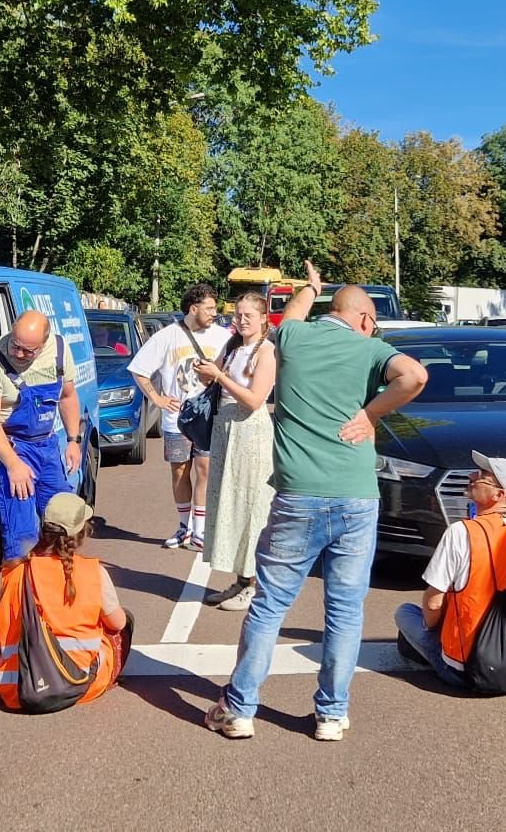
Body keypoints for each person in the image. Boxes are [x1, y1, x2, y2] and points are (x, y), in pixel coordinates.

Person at [205, 260, 427, 742]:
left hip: (297, 496)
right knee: (345, 610)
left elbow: (297, 310)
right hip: (355, 498)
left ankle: (240, 709)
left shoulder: (292, 338)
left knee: (269, 605)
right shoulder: (372, 348)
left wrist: (311, 286)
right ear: (366, 319)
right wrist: (370, 415)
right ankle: (331, 714)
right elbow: (413, 376)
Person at [393, 452, 506, 688]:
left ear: (498, 495)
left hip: (465, 671)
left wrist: (432, 629)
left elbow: (433, 602)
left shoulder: (460, 531)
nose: (471, 476)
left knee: (404, 613)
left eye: (481, 476)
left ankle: (439, 657)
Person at [0, 492, 132, 709]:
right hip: (79, 682)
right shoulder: (92, 572)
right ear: (81, 534)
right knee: (123, 623)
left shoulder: (14, 572)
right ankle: (108, 677)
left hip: (15, 688)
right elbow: (118, 623)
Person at [0, 309, 83, 562]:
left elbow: (67, 397)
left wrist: (73, 441)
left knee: (65, 520)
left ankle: (60, 586)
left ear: (44, 344)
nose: (19, 354)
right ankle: (20, 595)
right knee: (22, 534)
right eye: (15, 345)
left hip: (47, 446)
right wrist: (13, 464)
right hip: (12, 448)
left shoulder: (60, 349)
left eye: (28, 351)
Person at [129, 283, 231, 550]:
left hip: (210, 417)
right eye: (209, 308)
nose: (215, 313)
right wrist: (157, 398)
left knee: (205, 469)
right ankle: (184, 526)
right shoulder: (167, 336)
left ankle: (200, 530)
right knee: (179, 472)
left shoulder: (223, 336)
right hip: (178, 419)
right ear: (193, 308)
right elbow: (139, 369)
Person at [194, 291, 279, 611]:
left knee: (250, 506)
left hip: (249, 434)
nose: (241, 320)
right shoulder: (231, 347)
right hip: (225, 430)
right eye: (238, 314)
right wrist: (204, 371)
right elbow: (211, 379)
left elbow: (255, 400)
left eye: (248, 316)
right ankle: (241, 580)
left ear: (262, 319)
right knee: (228, 503)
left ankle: (254, 584)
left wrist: (219, 376)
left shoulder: (267, 351)